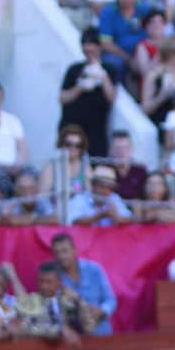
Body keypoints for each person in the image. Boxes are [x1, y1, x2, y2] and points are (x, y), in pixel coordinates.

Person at [61, 28, 119, 157]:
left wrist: (103, 77)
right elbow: (62, 98)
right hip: (73, 126)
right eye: (86, 51)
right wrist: (81, 85)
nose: (90, 55)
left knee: (98, 163)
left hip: (96, 128)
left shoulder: (110, 70)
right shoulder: (74, 70)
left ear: (99, 48)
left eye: (93, 51)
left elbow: (112, 97)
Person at [51, 232, 119, 333]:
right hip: (74, 338)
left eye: (65, 251)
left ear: (74, 249)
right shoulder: (53, 278)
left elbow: (110, 300)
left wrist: (101, 311)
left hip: (102, 333)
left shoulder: (93, 269)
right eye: (57, 253)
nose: (61, 256)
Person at [20, 260, 92, 343]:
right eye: (41, 281)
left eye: (49, 281)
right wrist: (58, 330)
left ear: (59, 282)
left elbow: (88, 328)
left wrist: (79, 301)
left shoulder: (67, 301)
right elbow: (24, 328)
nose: (44, 286)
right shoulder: (31, 301)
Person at [70, 163, 136, 226]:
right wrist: (101, 215)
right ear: (93, 185)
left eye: (108, 187)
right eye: (101, 186)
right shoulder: (81, 198)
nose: (105, 191)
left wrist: (118, 219)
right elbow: (75, 220)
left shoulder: (114, 198)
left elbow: (129, 218)